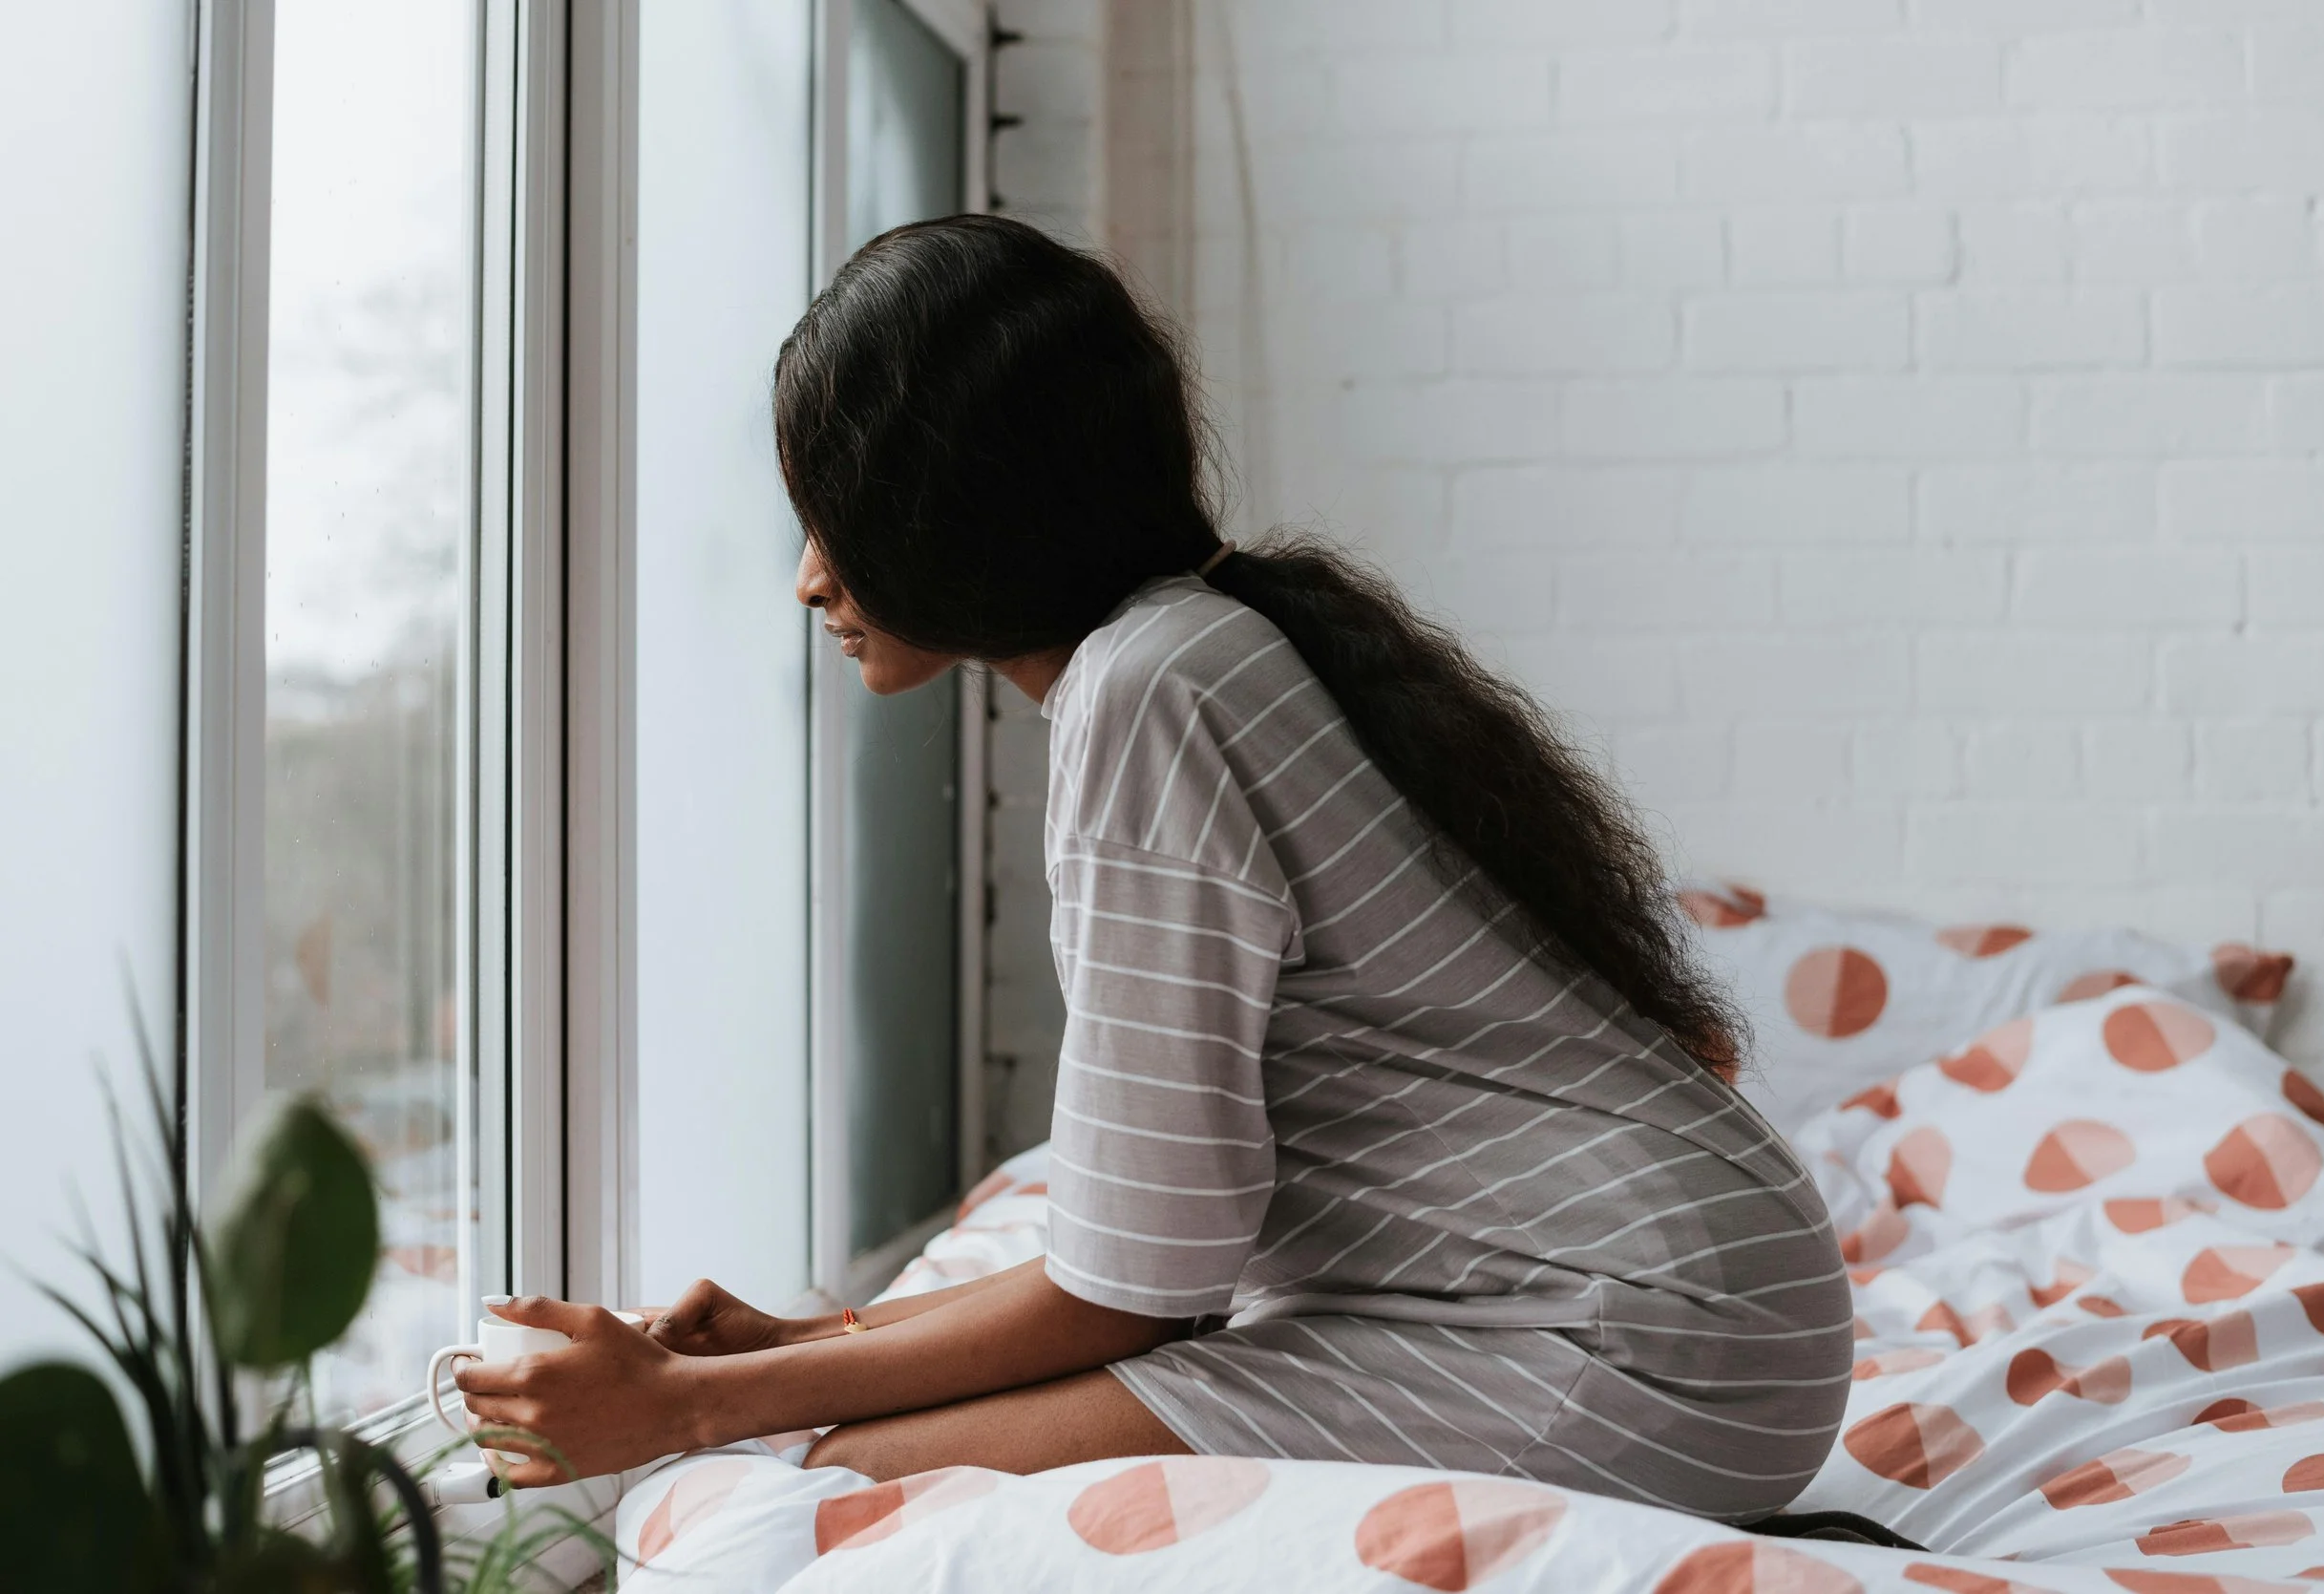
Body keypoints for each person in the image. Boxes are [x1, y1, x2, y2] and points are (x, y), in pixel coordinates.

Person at [456, 214, 1851, 1523]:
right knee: (843, 1459)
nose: (811, 578)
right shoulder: (1203, 645)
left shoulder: (1151, 693)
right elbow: (1153, 1257)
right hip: (1697, 1308)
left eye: (837, 514)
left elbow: (1132, 1295)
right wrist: (796, 1341)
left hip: (1644, 1348)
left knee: (846, 1494)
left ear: (957, 502)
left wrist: (691, 1408)